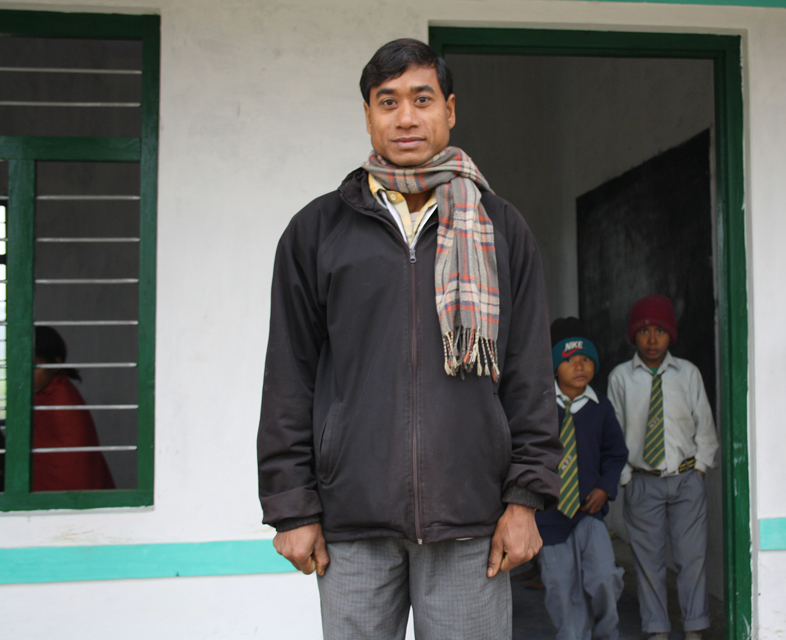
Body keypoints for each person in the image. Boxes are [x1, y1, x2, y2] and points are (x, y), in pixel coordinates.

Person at [256, 38, 561, 639]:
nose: (406, 117)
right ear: (367, 115)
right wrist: (291, 508)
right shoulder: (317, 230)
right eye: (387, 101)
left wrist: (525, 501)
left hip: (474, 519)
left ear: (449, 109)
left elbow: (529, 372)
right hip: (351, 524)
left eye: (422, 99)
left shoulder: (500, 226)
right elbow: (288, 375)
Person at [606, 294, 718, 640]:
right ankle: (657, 629)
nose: (652, 339)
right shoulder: (621, 378)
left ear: (671, 335)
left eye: (659, 331)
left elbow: (705, 426)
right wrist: (626, 477)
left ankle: (695, 627)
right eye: (643, 331)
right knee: (649, 563)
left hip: (686, 479)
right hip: (643, 481)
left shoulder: (688, 374)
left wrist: (699, 468)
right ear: (633, 335)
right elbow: (614, 431)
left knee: (691, 560)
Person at [535, 317, 628, 640]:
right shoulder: (541, 409)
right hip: (550, 516)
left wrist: (605, 487)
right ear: (553, 367)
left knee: (604, 577)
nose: (579, 366)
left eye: (586, 359)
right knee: (561, 588)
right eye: (569, 359)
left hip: (589, 512)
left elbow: (616, 454)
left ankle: (606, 634)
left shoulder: (601, 408)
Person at [32, 326, 115, 491]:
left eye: (35, 367)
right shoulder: (40, 394)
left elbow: (72, 469)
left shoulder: (61, 399)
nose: (26, 374)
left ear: (55, 365)